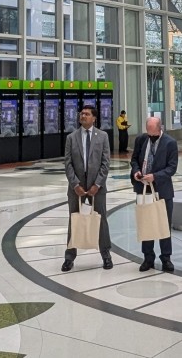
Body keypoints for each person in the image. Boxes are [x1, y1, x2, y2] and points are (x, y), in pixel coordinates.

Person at [63, 103, 112, 271]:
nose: (83, 116)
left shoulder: (103, 136)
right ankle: (69, 257)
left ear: (94, 118)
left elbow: (106, 163)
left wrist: (97, 184)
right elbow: (67, 163)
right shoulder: (71, 137)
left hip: (96, 189)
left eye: (86, 114)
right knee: (74, 219)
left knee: (101, 220)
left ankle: (106, 254)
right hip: (76, 189)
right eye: (81, 113)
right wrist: (75, 184)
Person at [131, 116, 179, 272]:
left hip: (162, 190)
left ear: (160, 129)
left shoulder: (170, 143)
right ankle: (148, 258)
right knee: (146, 224)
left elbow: (172, 168)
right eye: (149, 134)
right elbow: (134, 160)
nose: (151, 138)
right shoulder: (141, 140)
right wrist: (136, 171)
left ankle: (166, 258)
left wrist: (155, 176)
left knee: (164, 225)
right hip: (144, 189)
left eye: (154, 135)